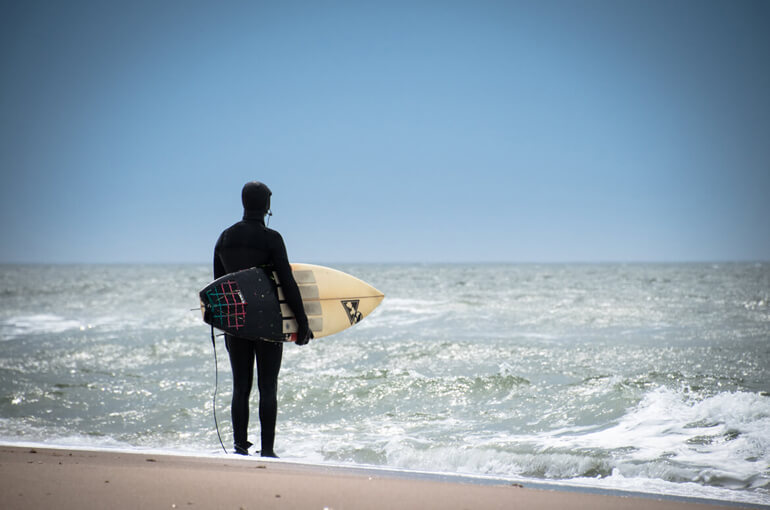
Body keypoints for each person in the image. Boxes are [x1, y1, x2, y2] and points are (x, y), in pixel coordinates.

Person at [213, 181, 312, 457]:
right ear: (266, 204)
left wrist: (224, 325)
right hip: (268, 320)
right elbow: (287, 283)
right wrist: (302, 323)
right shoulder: (271, 239)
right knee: (268, 386)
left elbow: (219, 288)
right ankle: (267, 450)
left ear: (244, 202)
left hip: (237, 322)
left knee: (240, 386)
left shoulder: (224, 238)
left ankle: (239, 448)